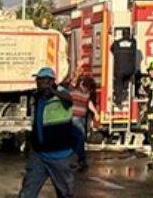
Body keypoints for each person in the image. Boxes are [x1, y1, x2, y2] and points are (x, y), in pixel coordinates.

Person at [19, 67, 76, 198]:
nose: (37, 83)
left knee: (65, 193)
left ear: (50, 81)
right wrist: (31, 143)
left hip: (59, 156)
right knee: (27, 192)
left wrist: (53, 91)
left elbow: (69, 100)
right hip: (39, 155)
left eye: (41, 80)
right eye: (37, 80)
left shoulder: (62, 94)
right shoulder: (38, 96)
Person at [68, 76, 96, 171]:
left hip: (81, 118)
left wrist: (95, 112)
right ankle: (78, 160)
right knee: (80, 138)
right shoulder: (74, 91)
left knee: (78, 140)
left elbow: (89, 103)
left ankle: (78, 160)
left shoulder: (86, 93)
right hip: (75, 117)